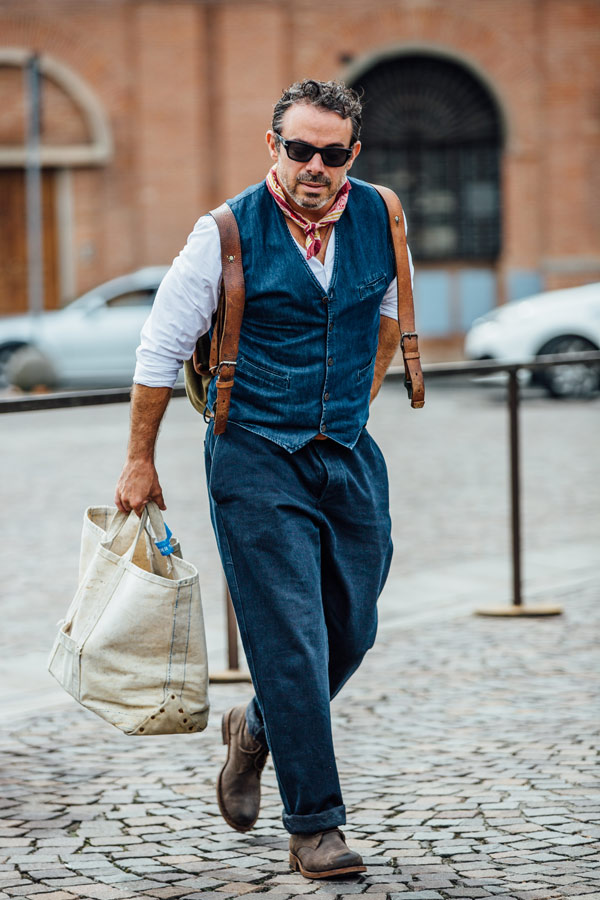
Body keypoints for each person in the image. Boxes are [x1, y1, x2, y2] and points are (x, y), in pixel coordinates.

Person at [115, 79, 414, 880]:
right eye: (298, 148)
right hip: (251, 451)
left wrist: (361, 392)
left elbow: (386, 309)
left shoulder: (380, 217)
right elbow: (157, 351)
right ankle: (315, 826)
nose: (314, 165)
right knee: (290, 637)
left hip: (346, 450)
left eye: (331, 152)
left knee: (353, 626)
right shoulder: (223, 234)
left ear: (353, 154)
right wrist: (140, 459)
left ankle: (255, 730)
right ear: (272, 145)